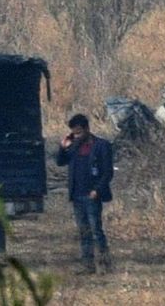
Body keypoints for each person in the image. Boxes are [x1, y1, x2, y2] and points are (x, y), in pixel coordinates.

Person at [54, 114, 115, 273]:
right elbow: (60, 162)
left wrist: (97, 190)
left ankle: (104, 263)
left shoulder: (101, 145)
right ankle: (88, 265)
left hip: (92, 195)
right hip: (77, 195)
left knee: (96, 230)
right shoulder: (73, 146)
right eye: (74, 133)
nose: (77, 136)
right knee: (83, 231)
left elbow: (107, 172)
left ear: (87, 129)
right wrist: (63, 146)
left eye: (80, 132)